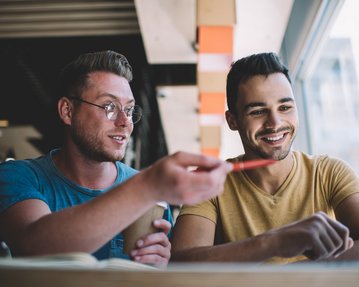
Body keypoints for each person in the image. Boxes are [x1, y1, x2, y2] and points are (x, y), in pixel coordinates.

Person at [0, 50, 232, 267]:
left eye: (129, 110)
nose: (125, 122)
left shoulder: (153, 200)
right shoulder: (19, 176)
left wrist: (160, 266)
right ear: (67, 111)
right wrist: (148, 185)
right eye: (109, 106)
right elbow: (33, 246)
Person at [171, 52, 359, 264]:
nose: (275, 123)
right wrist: (273, 242)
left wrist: (285, 277)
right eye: (258, 111)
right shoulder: (210, 181)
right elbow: (181, 263)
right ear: (232, 120)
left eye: (285, 107)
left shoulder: (329, 172)